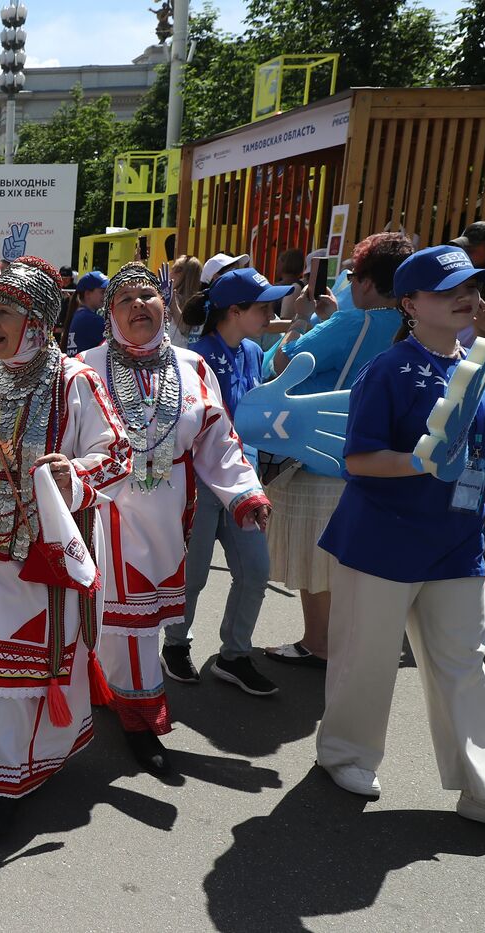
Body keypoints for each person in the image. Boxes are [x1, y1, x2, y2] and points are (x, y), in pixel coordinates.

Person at [0, 259, 131, 833]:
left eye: (6, 310)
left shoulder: (75, 383)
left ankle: (21, 774)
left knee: (34, 669)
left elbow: (116, 454)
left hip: (43, 559)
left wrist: (74, 474)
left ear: (38, 319)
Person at [314, 245, 485, 831]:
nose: (465, 298)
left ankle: (484, 787)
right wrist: (422, 463)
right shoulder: (390, 369)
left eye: (471, 287)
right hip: (381, 542)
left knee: (466, 664)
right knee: (366, 659)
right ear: (411, 304)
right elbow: (360, 460)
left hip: (457, 542)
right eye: (448, 290)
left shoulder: (484, 364)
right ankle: (346, 753)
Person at [263, 232, 412, 668]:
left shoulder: (348, 323)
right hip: (383, 455)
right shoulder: (409, 327)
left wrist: (300, 319)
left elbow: (283, 362)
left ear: (365, 281)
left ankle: (318, 642)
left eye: (354, 276)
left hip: (322, 453)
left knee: (320, 561)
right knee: (356, 562)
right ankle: (350, 641)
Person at [145, 269, 280, 703]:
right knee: (195, 575)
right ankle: (175, 645)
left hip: (244, 485)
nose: (270, 313)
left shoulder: (255, 353)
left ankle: (234, 655)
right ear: (234, 311)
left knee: (256, 570)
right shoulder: (193, 359)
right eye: (262, 307)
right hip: (200, 487)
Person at [65, 271, 108, 355]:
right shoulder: (92, 320)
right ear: (87, 294)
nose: (106, 295)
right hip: (85, 366)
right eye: (102, 292)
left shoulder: (80, 315)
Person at [166, 254, 203, 347]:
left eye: (174, 269)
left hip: (178, 355)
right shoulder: (200, 301)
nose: (170, 273)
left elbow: (186, 330)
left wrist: (173, 306)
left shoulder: (199, 303)